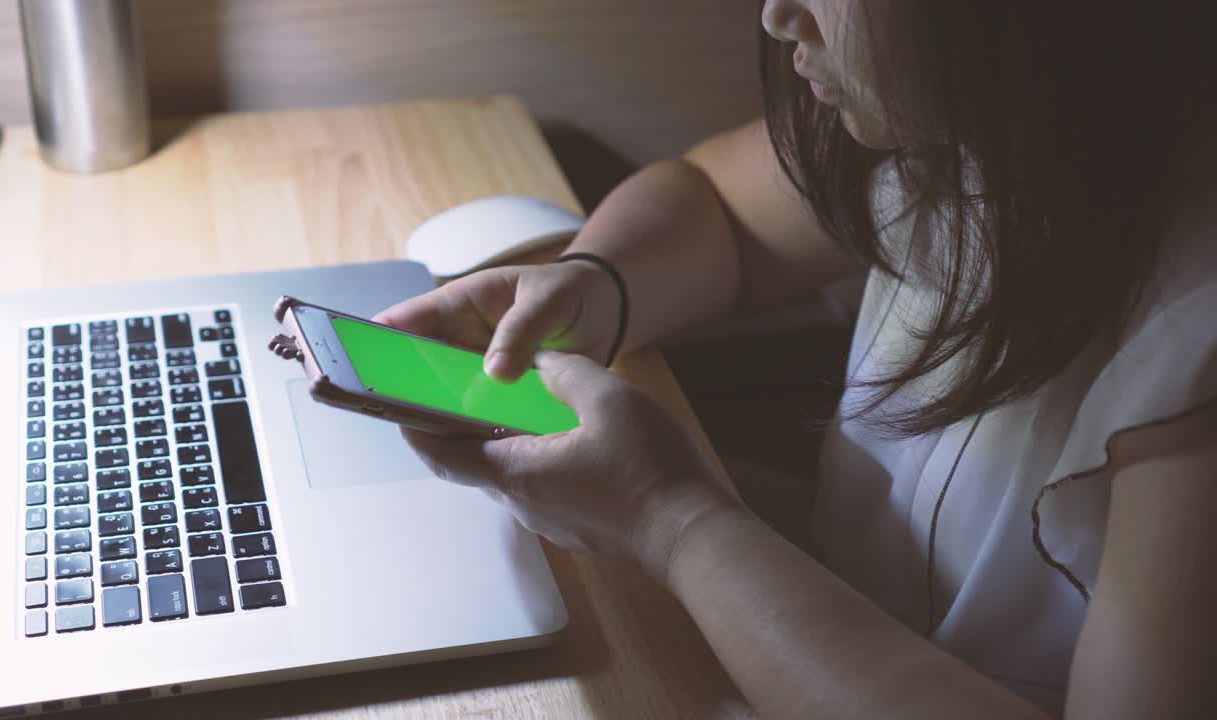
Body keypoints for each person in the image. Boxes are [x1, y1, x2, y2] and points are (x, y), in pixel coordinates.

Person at [376, 2, 1216, 717]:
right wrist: (591, 287)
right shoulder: (964, 136)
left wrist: (675, 523)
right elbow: (719, 209)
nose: (778, 16)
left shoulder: (1191, 348)